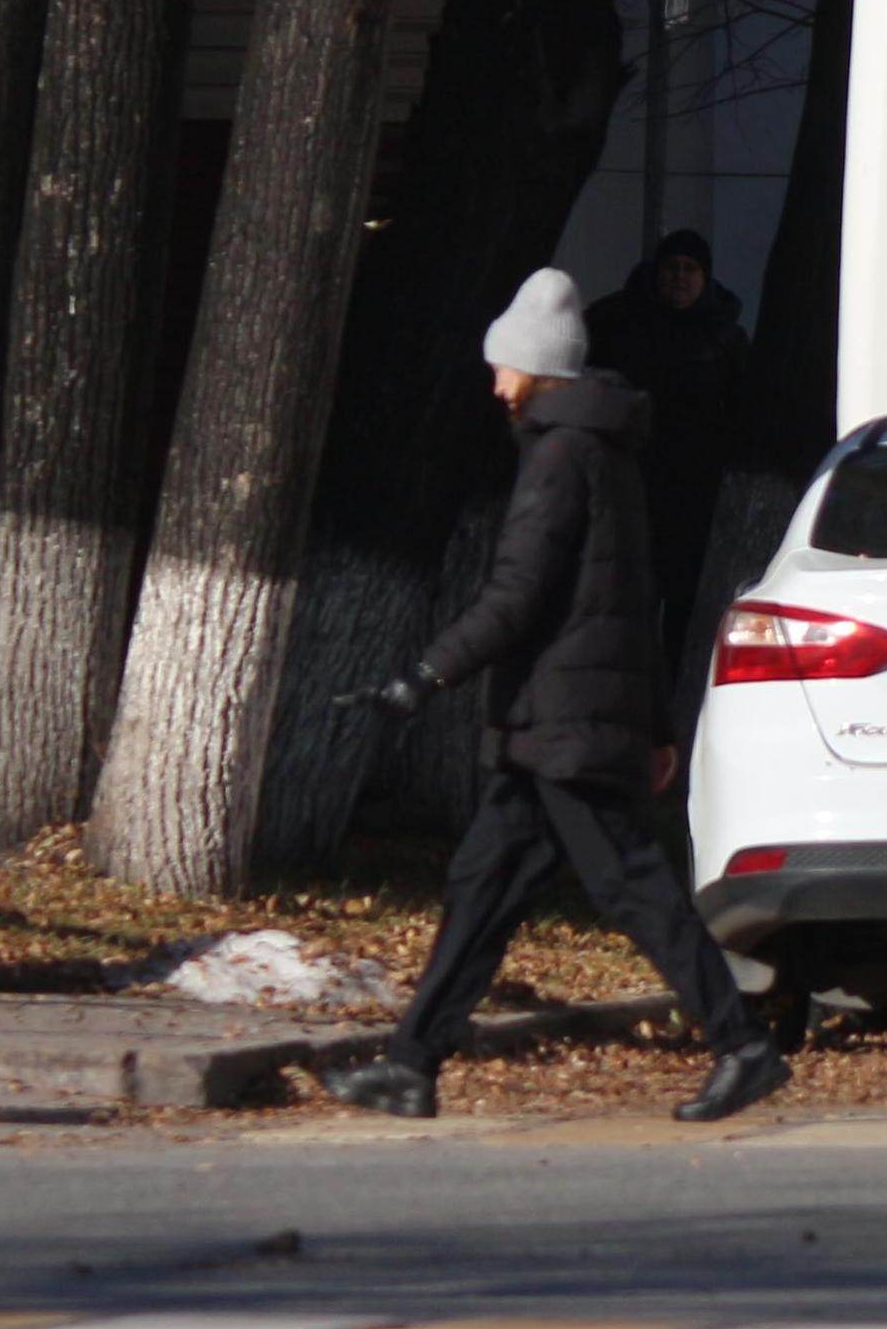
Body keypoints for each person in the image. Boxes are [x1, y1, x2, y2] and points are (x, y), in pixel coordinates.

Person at [325, 269, 786, 1126]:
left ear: (537, 371)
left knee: (632, 887)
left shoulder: (560, 456)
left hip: (564, 721)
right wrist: (651, 722)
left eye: (505, 368)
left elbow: (516, 594)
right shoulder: (606, 453)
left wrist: (423, 676)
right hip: (562, 721)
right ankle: (411, 1064)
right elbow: (627, 593)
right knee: (482, 883)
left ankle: (743, 1043)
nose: (496, 383)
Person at [585, 230, 749, 651]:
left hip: (695, 498)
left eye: (690, 269)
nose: (680, 277)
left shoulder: (725, 337)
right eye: (672, 267)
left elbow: (743, 410)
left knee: (686, 611)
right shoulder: (615, 322)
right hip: (628, 489)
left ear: (705, 278)